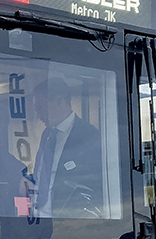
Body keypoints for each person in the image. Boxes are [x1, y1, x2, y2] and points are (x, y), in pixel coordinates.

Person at [31, 77, 104, 218]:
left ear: (59, 101)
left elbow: (93, 182)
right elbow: (43, 172)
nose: (38, 115)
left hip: (66, 218)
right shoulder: (47, 134)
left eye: (41, 108)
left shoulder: (89, 135)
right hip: (38, 215)